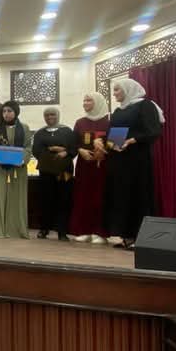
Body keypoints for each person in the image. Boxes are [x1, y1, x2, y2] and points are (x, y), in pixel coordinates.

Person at [104, 79, 164, 249]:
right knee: (121, 196)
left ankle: (140, 237)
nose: (114, 93)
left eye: (117, 90)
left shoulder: (145, 105)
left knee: (139, 195)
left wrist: (132, 140)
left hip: (138, 159)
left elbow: (153, 131)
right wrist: (113, 144)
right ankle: (123, 234)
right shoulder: (119, 111)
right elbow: (115, 134)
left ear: (128, 89)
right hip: (120, 160)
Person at [0, 101, 31, 239]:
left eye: (9, 111)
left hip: (17, 170)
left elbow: (28, 148)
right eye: (4, 111)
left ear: (16, 112)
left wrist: (21, 159)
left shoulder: (24, 128)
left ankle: (15, 229)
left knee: (16, 200)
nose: (6, 114)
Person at [68, 92, 111, 243]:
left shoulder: (109, 122)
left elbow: (116, 142)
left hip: (103, 166)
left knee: (100, 196)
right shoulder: (80, 122)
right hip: (84, 166)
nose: (85, 103)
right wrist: (81, 150)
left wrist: (104, 150)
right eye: (84, 100)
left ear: (98, 102)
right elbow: (73, 143)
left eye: (89, 100)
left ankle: (100, 233)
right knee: (83, 195)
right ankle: (84, 230)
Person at [32, 107, 77, 241]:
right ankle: (44, 229)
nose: (50, 117)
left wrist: (65, 152)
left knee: (64, 199)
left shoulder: (67, 131)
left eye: (52, 114)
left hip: (64, 171)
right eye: (47, 115)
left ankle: (62, 231)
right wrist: (53, 150)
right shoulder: (40, 133)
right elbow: (36, 151)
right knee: (46, 199)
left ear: (58, 115)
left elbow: (74, 148)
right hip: (46, 171)